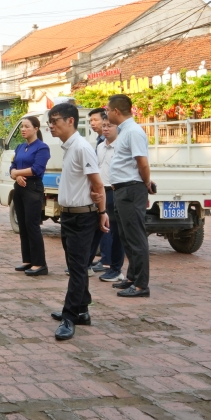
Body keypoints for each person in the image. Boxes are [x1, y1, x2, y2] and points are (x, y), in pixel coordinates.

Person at [47, 101, 108, 341]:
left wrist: (102, 213)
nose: (51, 126)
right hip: (70, 215)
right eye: (50, 122)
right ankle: (82, 310)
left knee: (78, 268)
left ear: (70, 121)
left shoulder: (82, 147)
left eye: (55, 121)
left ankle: (69, 316)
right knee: (76, 266)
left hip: (83, 217)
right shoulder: (69, 147)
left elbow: (98, 184)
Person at [105, 94, 154, 298]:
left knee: (136, 237)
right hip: (122, 189)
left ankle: (141, 285)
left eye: (108, 110)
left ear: (116, 111)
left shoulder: (133, 131)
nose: (106, 113)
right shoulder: (124, 131)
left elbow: (142, 162)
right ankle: (132, 277)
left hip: (131, 189)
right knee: (126, 236)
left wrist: (146, 182)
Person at [9, 116, 51, 276]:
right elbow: (12, 166)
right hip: (19, 188)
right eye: (22, 126)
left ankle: (40, 263)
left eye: (27, 126)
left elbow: (37, 169)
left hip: (32, 188)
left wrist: (17, 173)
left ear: (36, 128)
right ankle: (27, 260)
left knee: (32, 224)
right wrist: (16, 175)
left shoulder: (42, 147)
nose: (23, 129)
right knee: (23, 224)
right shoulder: (20, 147)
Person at [96, 115, 125, 283]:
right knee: (100, 228)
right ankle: (103, 261)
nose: (106, 129)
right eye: (104, 125)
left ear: (118, 128)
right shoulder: (100, 147)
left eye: (110, 126)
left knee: (115, 232)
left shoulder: (121, 147)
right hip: (101, 192)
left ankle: (116, 268)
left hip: (114, 190)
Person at [87, 107, 110, 273]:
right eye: (90, 121)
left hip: (108, 187)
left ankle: (108, 261)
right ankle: (104, 259)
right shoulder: (100, 142)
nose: (92, 123)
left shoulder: (108, 142)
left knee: (106, 224)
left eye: (95, 120)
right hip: (101, 186)